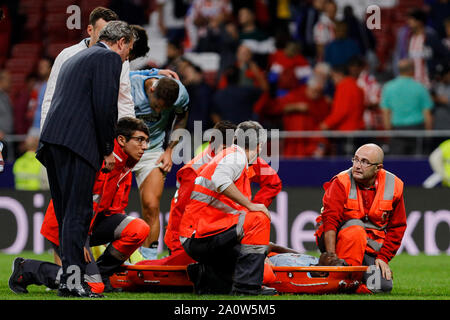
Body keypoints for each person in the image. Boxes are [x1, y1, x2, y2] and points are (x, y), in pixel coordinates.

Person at [36, 21, 136, 298]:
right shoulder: (108, 58)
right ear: (121, 42)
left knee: (67, 214)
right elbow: (105, 107)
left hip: (53, 143)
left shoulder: (76, 57)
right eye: (130, 48)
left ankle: (70, 282)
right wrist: (107, 149)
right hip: (78, 145)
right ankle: (74, 282)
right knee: (79, 214)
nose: (128, 55)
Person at [9, 117, 151, 296]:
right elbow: (77, 206)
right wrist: (78, 238)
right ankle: (27, 269)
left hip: (88, 225)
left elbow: (115, 211)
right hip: (66, 224)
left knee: (139, 229)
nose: (145, 146)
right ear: (122, 140)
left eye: (146, 141)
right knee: (92, 287)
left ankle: (100, 275)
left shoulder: (125, 166)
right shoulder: (102, 161)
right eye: (140, 140)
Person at [179, 121, 277, 296]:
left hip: (202, 234)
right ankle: (246, 289)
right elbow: (221, 181)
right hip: (201, 236)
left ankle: (205, 276)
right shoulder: (236, 157)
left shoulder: (229, 155)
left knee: (264, 271)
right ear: (260, 146)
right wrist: (251, 205)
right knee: (258, 218)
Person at [39, 6, 179, 130]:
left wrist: (128, 134)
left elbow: (124, 100)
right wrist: (45, 133)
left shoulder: (120, 61)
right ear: (90, 30)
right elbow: (51, 97)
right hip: (69, 130)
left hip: (102, 134)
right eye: (102, 33)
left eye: (110, 34)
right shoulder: (67, 55)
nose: (106, 38)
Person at [162, 120, 281, 260]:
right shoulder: (193, 171)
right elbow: (179, 212)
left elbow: (273, 183)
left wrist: (251, 212)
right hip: (198, 238)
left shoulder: (242, 157)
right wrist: (177, 250)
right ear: (213, 142)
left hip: (225, 232)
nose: (228, 153)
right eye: (224, 148)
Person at [314, 143, 407, 293]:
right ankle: (340, 274)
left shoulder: (394, 185)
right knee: (356, 227)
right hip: (337, 244)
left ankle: (348, 283)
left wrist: (383, 258)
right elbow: (330, 221)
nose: (357, 166)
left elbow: (397, 227)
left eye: (364, 162)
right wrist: (331, 256)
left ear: (378, 168)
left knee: (382, 287)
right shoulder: (341, 181)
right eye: (356, 160)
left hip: (367, 250)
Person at [129, 70, 190, 260]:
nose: (158, 112)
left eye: (163, 109)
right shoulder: (131, 85)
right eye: (156, 106)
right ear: (152, 89)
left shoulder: (180, 95)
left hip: (153, 150)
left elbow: (181, 118)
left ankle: (149, 260)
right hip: (123, 150)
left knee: (151, 205)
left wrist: (170, 150)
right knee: (109, 207)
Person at [380, 59, 433, 155]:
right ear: (412, 70)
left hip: (397, 130)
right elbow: (427, 113)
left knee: (397, 164)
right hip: (417, 131)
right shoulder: (420, 87)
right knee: (417, 162)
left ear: (399, 70)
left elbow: (386, 112)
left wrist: (388, 132)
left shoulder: (388, 87)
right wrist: (428, 134)